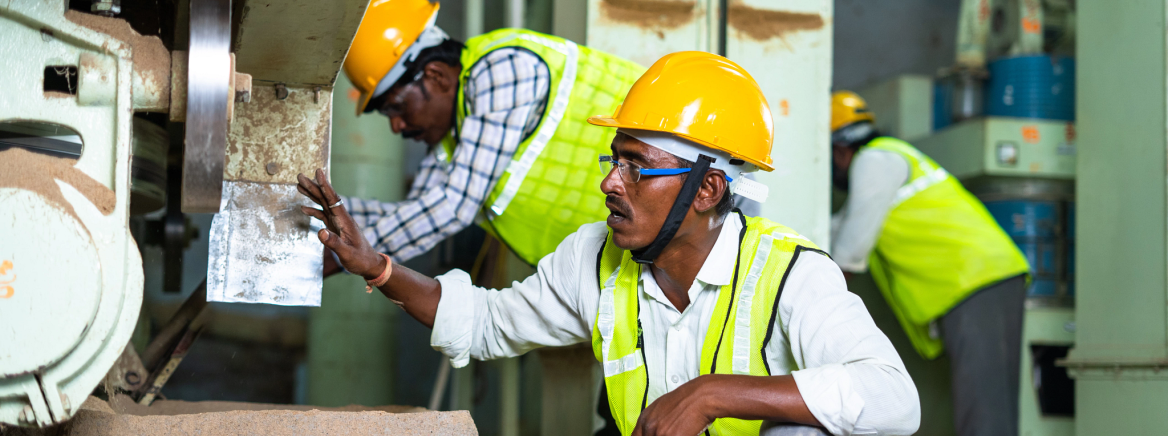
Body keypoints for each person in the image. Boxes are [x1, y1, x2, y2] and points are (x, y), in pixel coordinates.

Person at [300, 52, 920, 436]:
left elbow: (894, 399)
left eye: (634, 166)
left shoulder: (790, 272)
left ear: (706, 190)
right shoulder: (594, 257)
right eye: (612, 159)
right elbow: (490, 322)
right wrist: (377, 267)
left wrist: (714, 393)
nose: (608, 182)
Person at [335, 0, 647, 266]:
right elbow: (417, 212)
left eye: (397, 108)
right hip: (625, 262)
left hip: (674, 229)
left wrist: (343, 257)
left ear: (436, 76)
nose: (396, 126)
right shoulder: (453, 138)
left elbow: (454, 205)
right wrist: (332, 212)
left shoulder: (504, 69)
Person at [828, 90, 1031, 436]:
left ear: (840, 150)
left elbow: (849, 248)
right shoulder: (887, 159)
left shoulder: (875, 162)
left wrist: (818, 306)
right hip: (976, 282)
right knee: (982, 405)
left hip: (977, 280)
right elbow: (838, 228)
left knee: (985, 411)